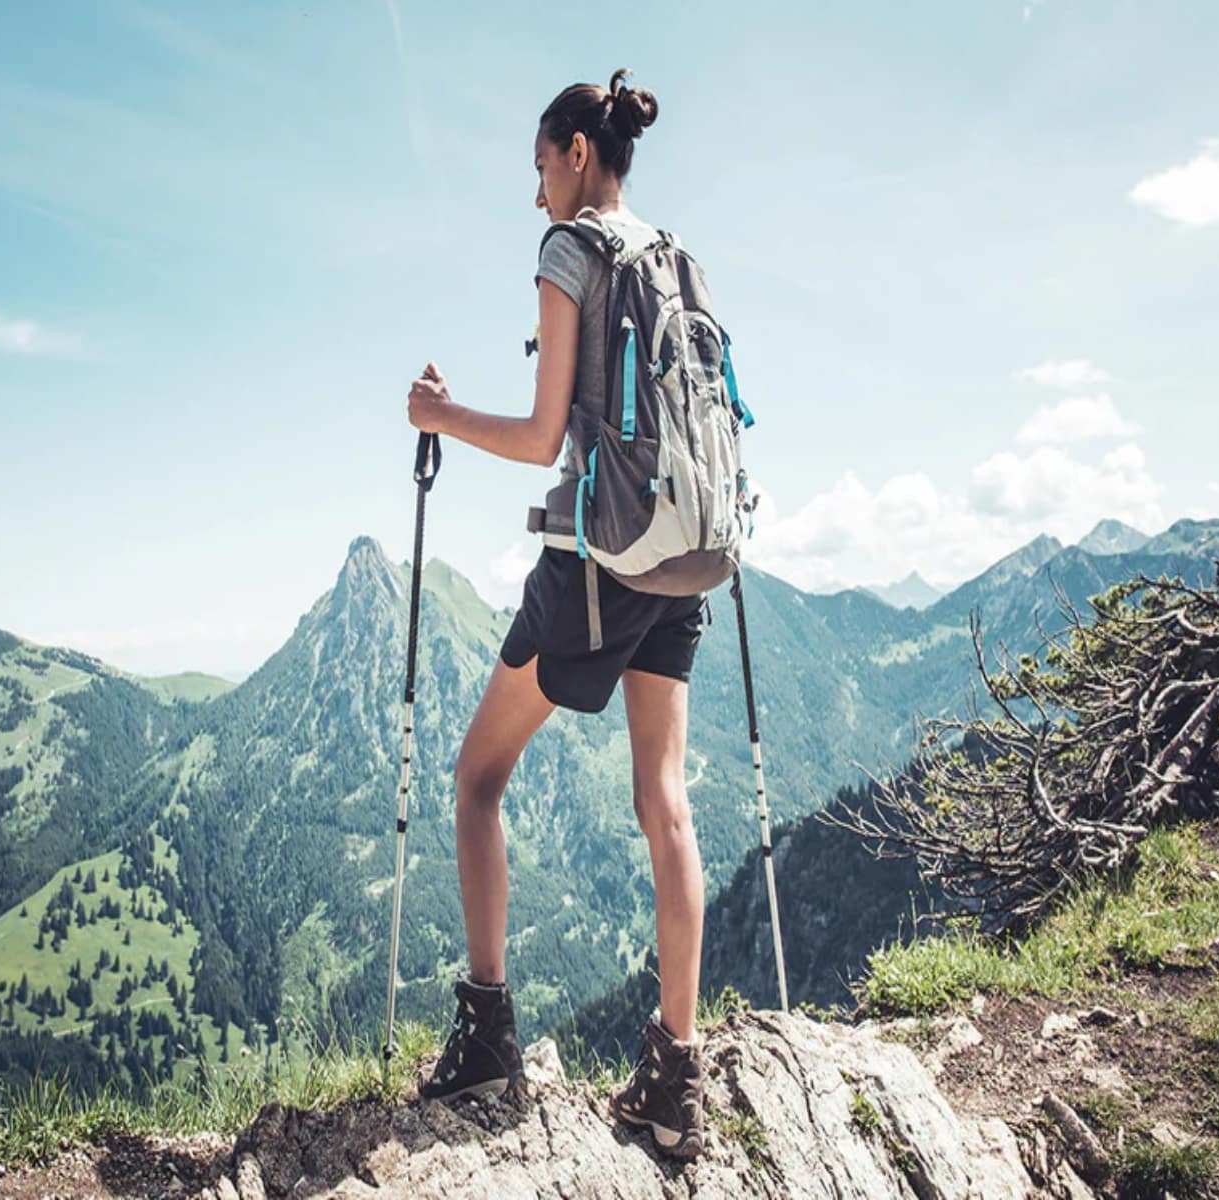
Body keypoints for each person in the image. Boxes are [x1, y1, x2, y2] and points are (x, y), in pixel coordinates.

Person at [403, 68, 710, 1160]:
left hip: (601, 560)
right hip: (689, 557)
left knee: (476, 778)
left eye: (540, 167)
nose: (536, 194)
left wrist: (437, 413)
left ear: (579, 151)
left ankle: (487, 1034)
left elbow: (542, 441)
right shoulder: (676, 256)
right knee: (662, 800)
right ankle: (675, 1080)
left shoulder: (571, 250)